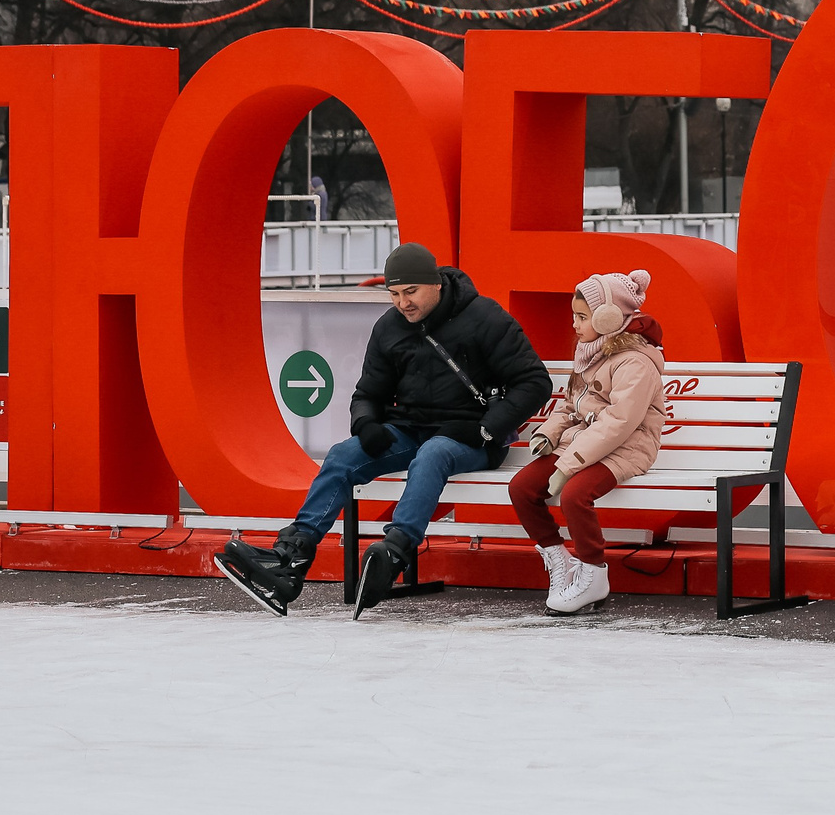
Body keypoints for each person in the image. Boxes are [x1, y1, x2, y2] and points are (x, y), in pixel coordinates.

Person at [217, 241, 551, 614]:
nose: (403, 302)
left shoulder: (484, 317)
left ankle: (394, 553)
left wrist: (486, 428)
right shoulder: (389, 327)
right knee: (343, 455)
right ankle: (291, 559)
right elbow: (368, 393)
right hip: (409, 430)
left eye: (411, 291)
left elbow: (534, 382)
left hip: (471, 437)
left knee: (433, 454)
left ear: (435, 284)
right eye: (394, 294)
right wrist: (365, 423)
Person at [507, 269, 669, 615]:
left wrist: (567, 466)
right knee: (522, 487)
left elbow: (619, 423)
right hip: (585, 442)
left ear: (608, 319)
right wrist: (548, 434)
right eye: (575, 316)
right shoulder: (591, 352)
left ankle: (594, 573)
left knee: (574, 495)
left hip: (628, 447)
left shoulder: (636, 362)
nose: (575, 325)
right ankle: (559, 558)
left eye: (582, 317)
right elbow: (571, 407)